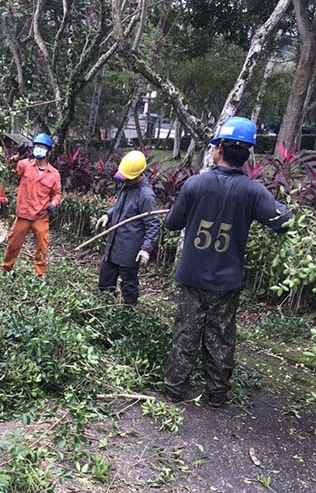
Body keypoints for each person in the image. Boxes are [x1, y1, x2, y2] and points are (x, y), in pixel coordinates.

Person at [163, 117, 292, 407]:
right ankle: (216, 394)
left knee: (186, 333)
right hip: (226, 280)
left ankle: (174, 390)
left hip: (192, 276)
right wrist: (285, 207)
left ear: (219, 148)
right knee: (221, 338)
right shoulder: (253, 191)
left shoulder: (195, 185)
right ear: (247, 153)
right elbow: (282, 221)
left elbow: (172, 224)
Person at [96, 150, 159, 306]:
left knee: (129, 285)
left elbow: (153, 224)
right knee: (105, 282)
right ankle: (106, 306)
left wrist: (146, 248)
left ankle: (128, 314)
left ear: (138, 175)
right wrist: (108, 215)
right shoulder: (126, 187)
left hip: (130, 250)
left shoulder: (146, 195)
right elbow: (120, 208)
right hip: (114, 244)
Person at [2, 133, 61, 276]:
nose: (38, 149)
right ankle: (6, 269)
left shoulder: (54, 174)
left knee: (42, 246)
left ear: (48, 151)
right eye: (36, 146)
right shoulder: (25, 165)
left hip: (41, 216)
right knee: (13, 245)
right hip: (23, 214)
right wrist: (17, 156)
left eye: (42, 147)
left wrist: (54, 203)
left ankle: (40, 275)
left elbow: (57, 193)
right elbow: (9, 169)